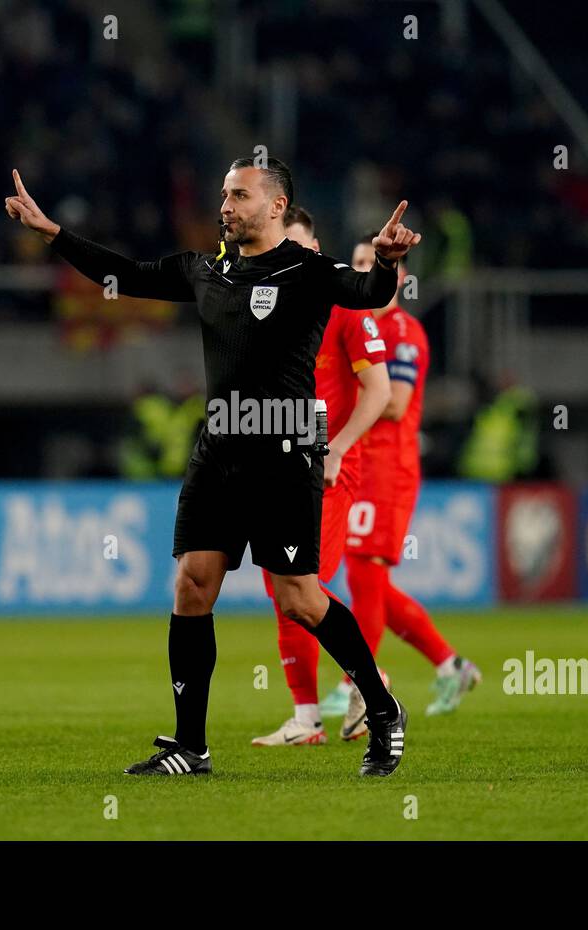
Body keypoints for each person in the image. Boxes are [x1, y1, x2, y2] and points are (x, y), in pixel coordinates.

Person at [5, 159, 421, 776]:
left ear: (276, 206)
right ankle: (189, 746)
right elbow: (125, 273)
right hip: (219, 450)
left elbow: (369, 293)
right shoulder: (205, 270)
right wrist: (53, 233)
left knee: (301, 599)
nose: (225, 204)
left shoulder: (310, 272)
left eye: (239, 195)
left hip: (284, 452)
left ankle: (383, 709)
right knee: (192, 584)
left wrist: (385, 262)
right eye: (223, 193)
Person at [327, 236, 481, 739]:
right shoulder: (354, 324)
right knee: (368, 580)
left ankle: (360, 682)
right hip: (357, 462)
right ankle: (449, 666)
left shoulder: (404, 331)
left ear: (400, 276)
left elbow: (393, 403)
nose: (365, 270)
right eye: (358, 264)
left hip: (388, 468)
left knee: (366, 573)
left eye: (373, 263)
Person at [250, 206, 391, 747]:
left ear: (314, 249)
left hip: (326, 466)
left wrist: (336, 449)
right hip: (273, 463)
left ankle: (369, 679)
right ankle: (307, 718)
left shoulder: (347, 309)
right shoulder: (267, 306)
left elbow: (378, 392)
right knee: (282, 589)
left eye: (299, 248)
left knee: (304, 584)